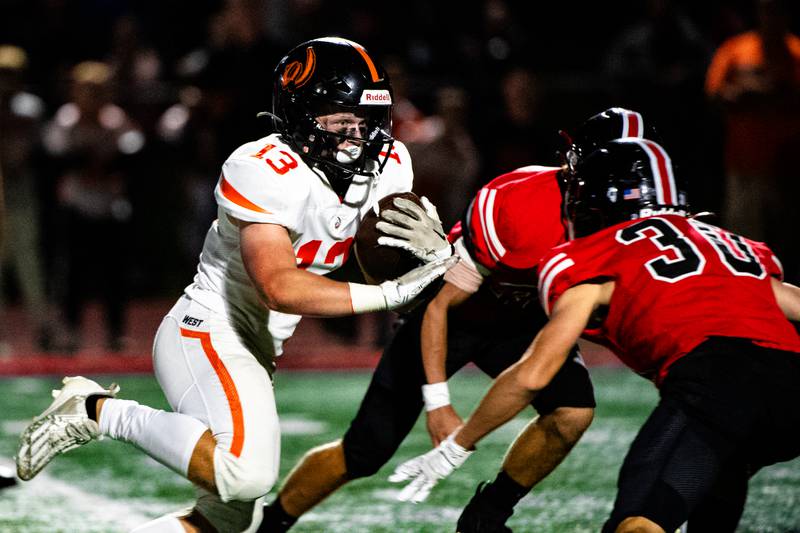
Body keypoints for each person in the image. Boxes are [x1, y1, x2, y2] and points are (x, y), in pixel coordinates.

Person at [16, 37, 453, 533]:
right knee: (244, 475)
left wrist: (433, 257)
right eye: (338, 119)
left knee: (229, 521)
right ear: (299, 113)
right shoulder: (263, 166)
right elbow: (279, 285)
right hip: (208, 331)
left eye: (367, 119)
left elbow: (371, 256)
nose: (357, 135)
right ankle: (97, 410)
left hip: (260, 343)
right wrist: (392, 294)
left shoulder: (391, 162)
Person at [258, 107, 656, 532]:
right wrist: (438, 402)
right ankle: (271, 523)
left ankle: (488, 515)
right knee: (364, 452)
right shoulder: (520, 203)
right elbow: (441, 305)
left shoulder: (636, 215)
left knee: (572, 412)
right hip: (458, 313)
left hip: (524, 321)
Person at [390, 138, 800, 532]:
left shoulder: (591, 257)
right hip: (789, 384)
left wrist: (460, 442)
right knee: (720, 466)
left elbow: (533, 375)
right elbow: (789, 300)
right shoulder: (727, 243)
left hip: (715, 384)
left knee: (637, 524)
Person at [705, 0, 800, 283]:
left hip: (789, 166)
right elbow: (714, 94)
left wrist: (776, 94)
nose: (772, 15)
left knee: (788, 239)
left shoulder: (796, 52)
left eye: (778, 9)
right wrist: (746, 92)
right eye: (767, 8)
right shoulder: (737, 49)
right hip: (744, 163)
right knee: (744, 237)